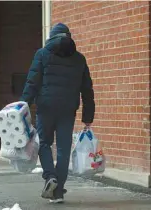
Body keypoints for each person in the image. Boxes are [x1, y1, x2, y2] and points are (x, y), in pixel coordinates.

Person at [20, 23, 95, 203]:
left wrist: (22, 106)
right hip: (68, 109)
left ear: (51, 37)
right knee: (63, 149)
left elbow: (32, 82)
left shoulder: (42, 54)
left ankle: (50, 177)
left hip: (45, 107)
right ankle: (58, 190)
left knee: (44, 143)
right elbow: (87, 90)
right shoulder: (79, 59)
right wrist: (88, 116)